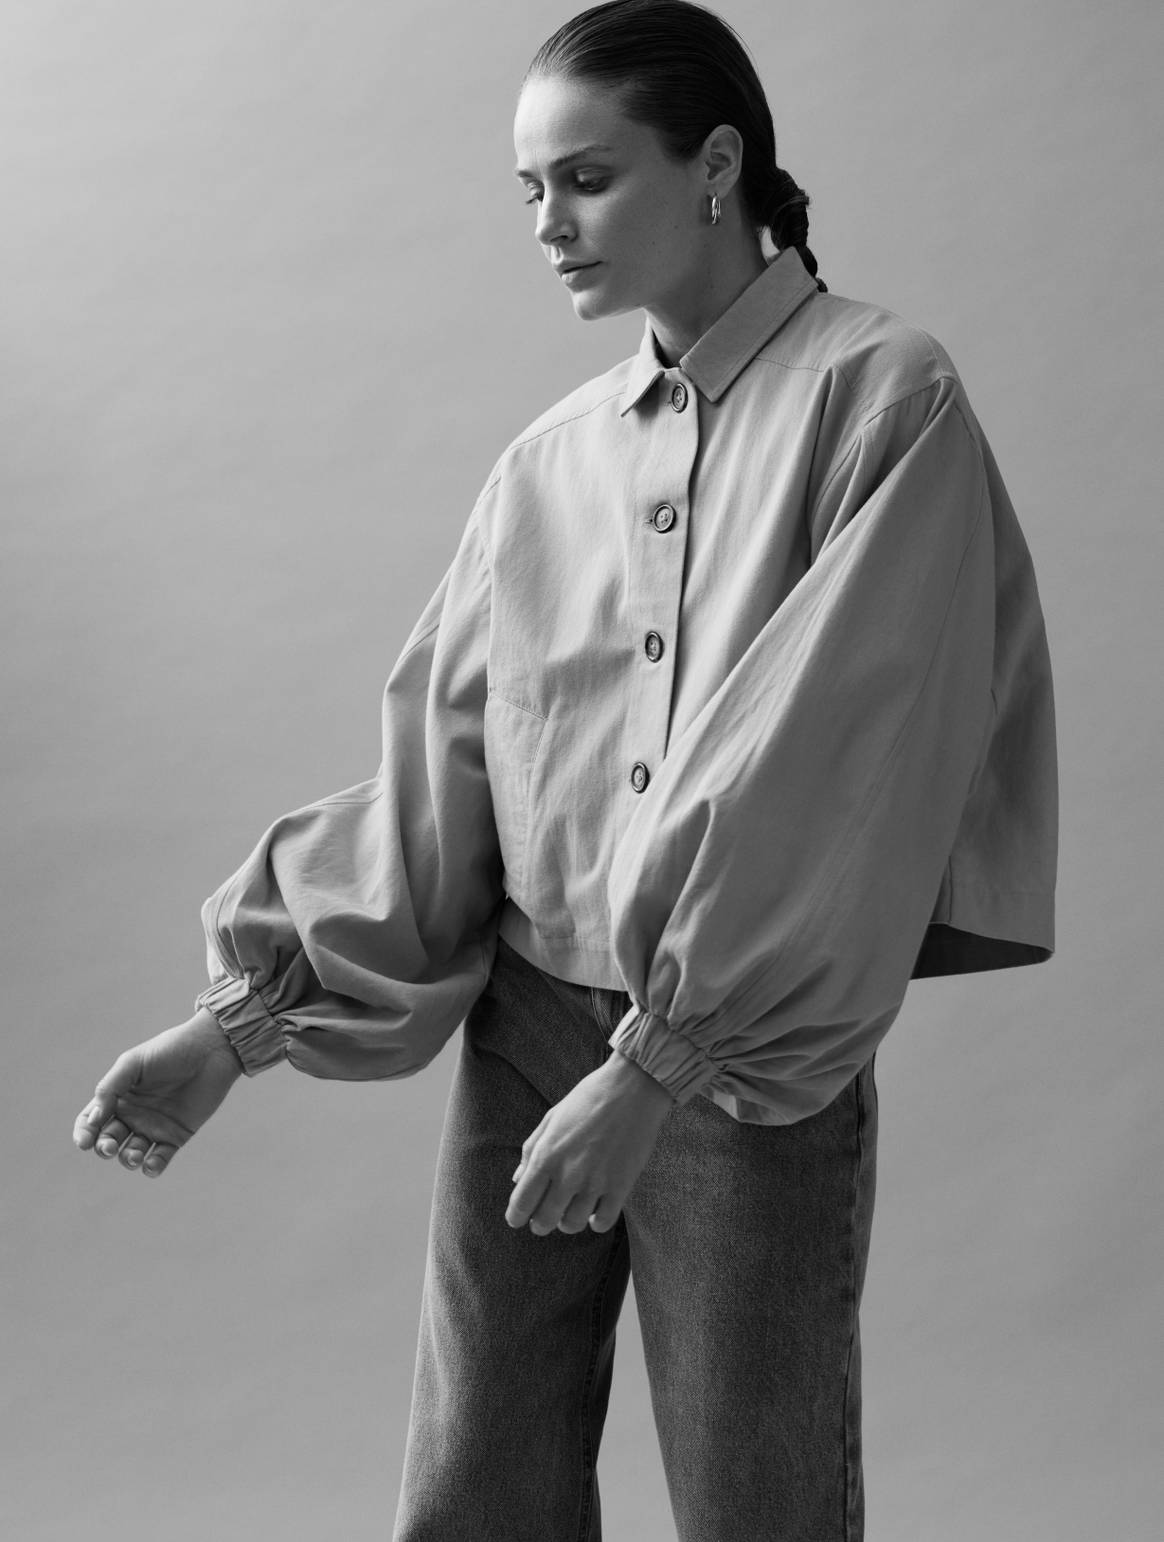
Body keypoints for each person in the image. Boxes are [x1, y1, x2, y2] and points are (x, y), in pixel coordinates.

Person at [71, 1, 1058, 1537]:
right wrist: (238, 1023)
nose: (547, 225)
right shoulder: (549, 461)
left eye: (587, 180)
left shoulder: (885, 398)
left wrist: (659, 1063)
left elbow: (838, 768)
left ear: (716, 164)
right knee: (477, 1484)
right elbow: (448, 772)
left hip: (734, 1052)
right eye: (531, 189)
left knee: (758, 1495)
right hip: (529, 1021)